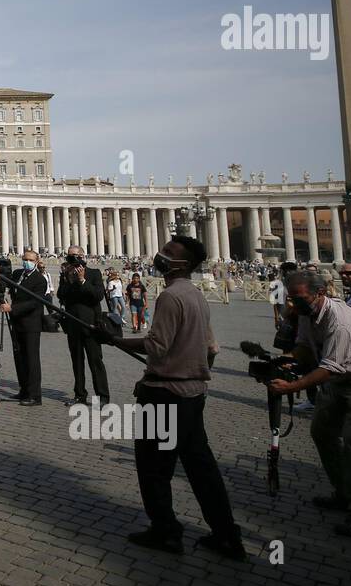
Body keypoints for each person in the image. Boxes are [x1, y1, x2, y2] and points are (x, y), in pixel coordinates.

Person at [105, 236, 246, 560]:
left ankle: (166, 531)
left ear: (182, 264)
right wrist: (194, 373)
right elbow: (212, 348)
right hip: (192, 395)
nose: (161, 255)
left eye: (168, 253)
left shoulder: (169, 297)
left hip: (164, 395)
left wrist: (116, 341)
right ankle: (227, 535)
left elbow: (156, 346)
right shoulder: (197, 296)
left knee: (154, 468)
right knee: (202, 469)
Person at [267, 268, 351, 538]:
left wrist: (292, 386)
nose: (292, 303)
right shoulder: (307, 313)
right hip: (341, 381)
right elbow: (305, 346)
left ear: (320, 294)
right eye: (290, 297)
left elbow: (331, 367)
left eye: (298, 297)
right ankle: (343, 493)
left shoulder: (340, 320)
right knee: (322, 433)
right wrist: (286, 361)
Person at [57, 244, 110, 406]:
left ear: (82, 256)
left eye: (74, 255)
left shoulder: (94, 273)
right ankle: (80, 394)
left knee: (95, 362)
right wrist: (67, 279)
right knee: (77, 362)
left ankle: (103, 396)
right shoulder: (66, 274)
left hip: (91, 325)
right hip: (73, 325)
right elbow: (61, 296)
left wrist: (82, 281)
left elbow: (98, 296)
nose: (71, 258)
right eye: (69, 255)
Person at [4, 249, 49, 405]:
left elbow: (35, 302)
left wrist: (13, 309)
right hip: (17, 322)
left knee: (31, 359)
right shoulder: (17, 274)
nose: (26, 261)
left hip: (31, 324)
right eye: (24, 259)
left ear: (36, 262)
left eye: (30, 259)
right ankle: (24, 390)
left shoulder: (40, 280)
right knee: (20, 358)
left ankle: (35, 395)